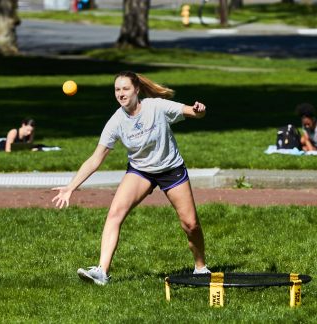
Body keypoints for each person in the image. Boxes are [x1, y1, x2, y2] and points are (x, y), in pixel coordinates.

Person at [52, 71, 210, 285]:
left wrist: (199, 110)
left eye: (125, 89)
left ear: (136, 90)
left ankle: (201, 268)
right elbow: (96, 158)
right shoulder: (116, 121)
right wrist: (71, 187)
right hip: (141, 171)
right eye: (117, 90)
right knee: (115, 212)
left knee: (190, 224)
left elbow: (192, 112)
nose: (121, 93)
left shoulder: (156, 106)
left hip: (170, 168)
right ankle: (102, 271)